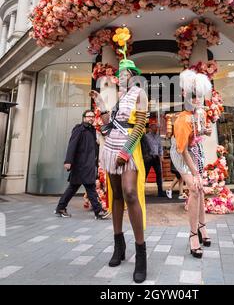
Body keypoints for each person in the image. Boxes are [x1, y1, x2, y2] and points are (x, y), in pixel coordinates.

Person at [91, 33, 148, 284]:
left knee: (130, 193)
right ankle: (119, 246)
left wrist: (126, 150)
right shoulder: (116, 101)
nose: (123, 78)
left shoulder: (140, 94)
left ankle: (141, 252)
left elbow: (141, 125)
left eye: (127, 74)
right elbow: (105, 128)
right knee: (114, 196)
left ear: (134, 75)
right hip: (110, 148)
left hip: (128, 149)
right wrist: (102, 105)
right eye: (120, 75)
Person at [171, 69, 213, 259]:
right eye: (193, 96)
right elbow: (182, 150)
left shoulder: (200, 113)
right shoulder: (181, 120)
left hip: (196, 152)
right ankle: (193, 234)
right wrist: (195, 173)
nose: (197, 100)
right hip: (182, 154)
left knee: (201, 189)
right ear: (185, 94)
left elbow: (200, 132)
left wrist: (206, 131)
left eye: (199, 96)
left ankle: (203, 227)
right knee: (195, 189)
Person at [55, 110, 108, 219]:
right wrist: (68, 161)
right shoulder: (79, 129)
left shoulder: (92, 130)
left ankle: (60, 208)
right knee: (90, 187)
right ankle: (98, 212)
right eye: (89, 116)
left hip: (88, 164)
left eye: (93, 116)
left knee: (74, 188)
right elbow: (72, 145)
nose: (91, 118)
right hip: (80, 165)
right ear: (84, 118)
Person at [144, 123, 165, 197]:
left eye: (156, 127)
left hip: (156, 157)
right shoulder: (146, 137)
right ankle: (141, 191)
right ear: (150, 128)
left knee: (159, 174)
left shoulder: (158, 137)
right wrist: (145, 156)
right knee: (145, 174)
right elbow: (144, 148)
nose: (156, 129)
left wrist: (161, 155)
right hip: (148, 157)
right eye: (154, 127)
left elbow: (160, 147)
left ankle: (160, 191)